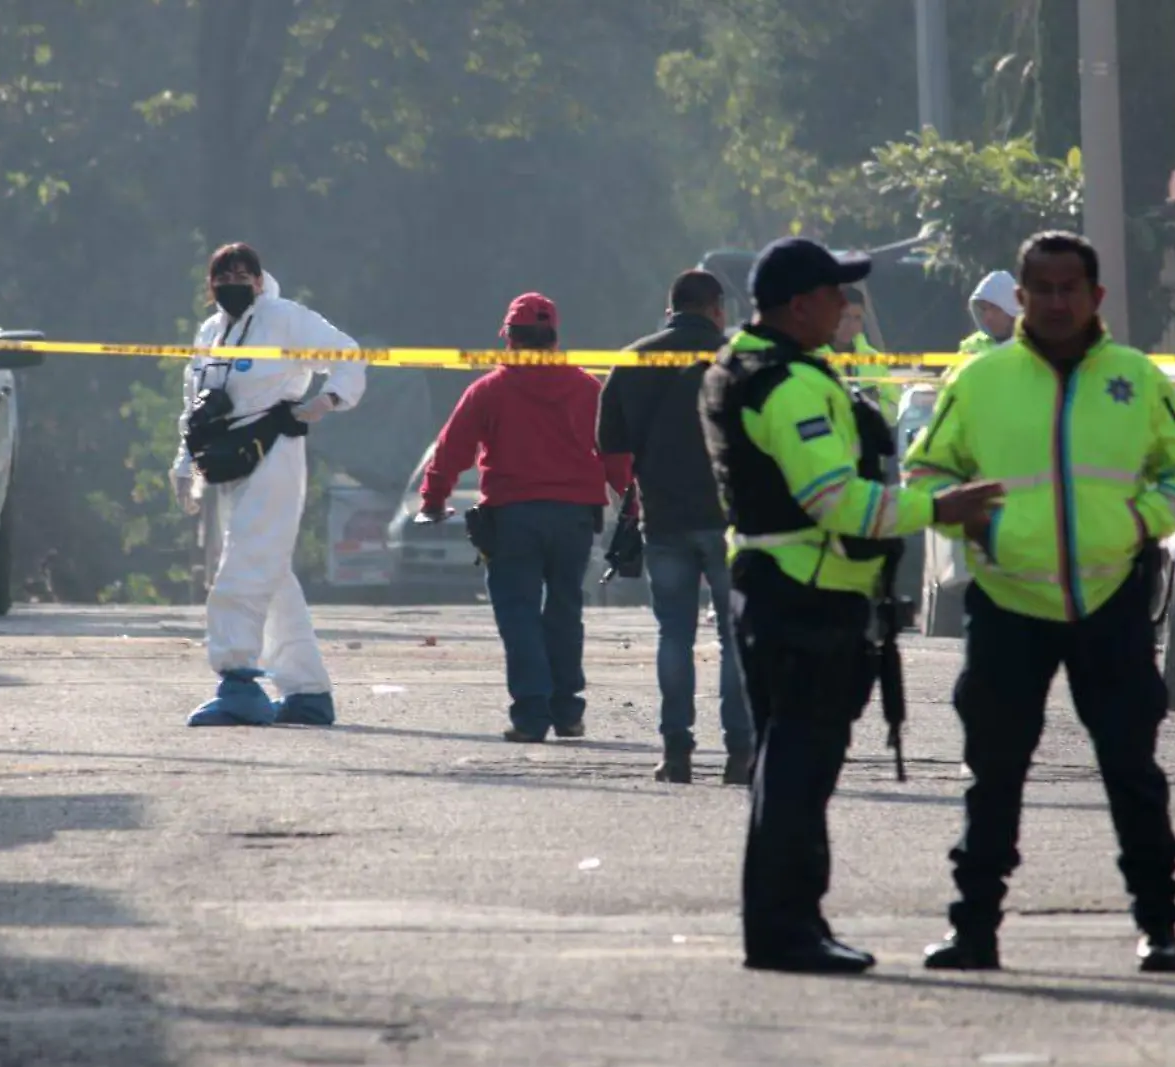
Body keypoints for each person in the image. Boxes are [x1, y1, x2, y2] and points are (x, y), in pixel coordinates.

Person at [904, 231, 1175, 974]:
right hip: (1007, 604)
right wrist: (959, 510)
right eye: (1039, 288)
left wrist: (1136, 521)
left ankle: (1159, 927)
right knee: (995, 771)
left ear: (1095, 296)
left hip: (1111, 601)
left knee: (1131, 770)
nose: (1053, 300)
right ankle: (973, 929)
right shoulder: (979, 381)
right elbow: (923, 476)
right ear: (1019, 296)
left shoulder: (1137, 379)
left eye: (1067, 287)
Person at [698, 238, 1003, 974]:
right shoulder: (788, 382)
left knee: (790, 773)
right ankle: (785, 932)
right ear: (800, 303)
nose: (847, 307)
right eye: (837, 294)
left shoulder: (752, 362)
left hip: (784, 589)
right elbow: (833, 499)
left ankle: (793, 923)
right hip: (803, 596)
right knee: (800, 773)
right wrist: (938, 506)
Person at [416, 293, 633, 742]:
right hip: (575, 518)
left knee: (518, 615)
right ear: (554, 338)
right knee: (565, 610)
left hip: (512, 518)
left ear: (509, 339)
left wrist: (433, 500)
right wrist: (631, 501)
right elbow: (615, 452)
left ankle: (532, 715)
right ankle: (568, 711)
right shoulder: (588, 388)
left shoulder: (489, 390)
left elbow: (450, 450)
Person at [171, 242, 366, 727]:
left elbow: (348, 354)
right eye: (223, 275)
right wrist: (184, 468)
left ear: (260, 280)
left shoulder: (285, 318)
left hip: (274, 449)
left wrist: (329, 399)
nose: (234, 282)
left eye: (244, 274)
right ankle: (307, 691)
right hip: (222, 458)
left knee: (244, 566)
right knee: (271, 576)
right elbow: (193, 406)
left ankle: (238, 681)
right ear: (209, 284)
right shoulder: (210, 332)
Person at [598, 269, 753, 784]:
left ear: (672, 308)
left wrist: (632, 497)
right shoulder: (740, 359)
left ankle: (676, 751)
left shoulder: (635, 357)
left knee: (673, 635)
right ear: (716, 309)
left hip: (663, 519)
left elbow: (612, 449)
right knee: (735, 638)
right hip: (730, 520)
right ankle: (741, 752)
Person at [832, 285, 899, 413]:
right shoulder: (813, 358)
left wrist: (869, 406)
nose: (850, 325)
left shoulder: (874, 358)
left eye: (857, 318)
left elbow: (894, 409)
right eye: (844, 316)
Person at [957, 270, 1020, 356]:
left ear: (1012, 308)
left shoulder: (1033, 348)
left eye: (995, 308)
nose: (987, 317)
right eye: (983, 309)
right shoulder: (971, 348)